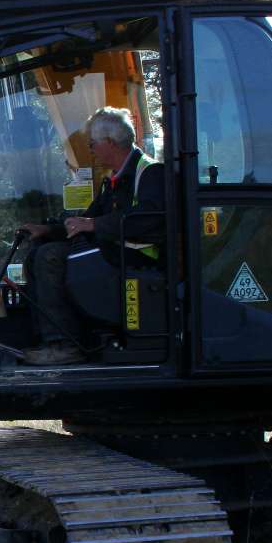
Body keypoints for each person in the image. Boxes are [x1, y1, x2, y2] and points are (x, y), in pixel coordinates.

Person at [18, 107, 164, 366]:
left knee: (51, 257)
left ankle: (65, 345)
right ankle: (45, 338)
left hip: (136, 258)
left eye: (93, 144)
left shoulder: (150, 172)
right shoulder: (114, 180)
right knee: (39, 251)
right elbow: (85, 220)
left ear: (109, 143)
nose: (91, 149)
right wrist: (48, 230)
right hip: (112, 251)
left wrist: (94, 225)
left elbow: (149, 220)